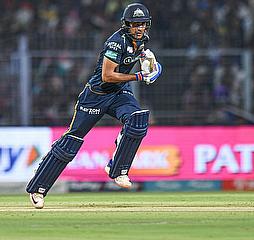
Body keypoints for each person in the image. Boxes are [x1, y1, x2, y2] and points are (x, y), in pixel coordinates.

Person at [26, 3, 162, 209]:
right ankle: (38, 188)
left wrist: (148, 62)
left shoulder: (142, 40)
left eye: (142, 23)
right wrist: (139, 75)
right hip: (96, 95)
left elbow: (137, 59)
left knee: (138, 120)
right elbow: (107, 76)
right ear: (126, 25)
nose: (139, 28)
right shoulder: (116, 43)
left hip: (118, 93)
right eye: (135, 24)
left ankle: (117, 170)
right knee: (71, 142)